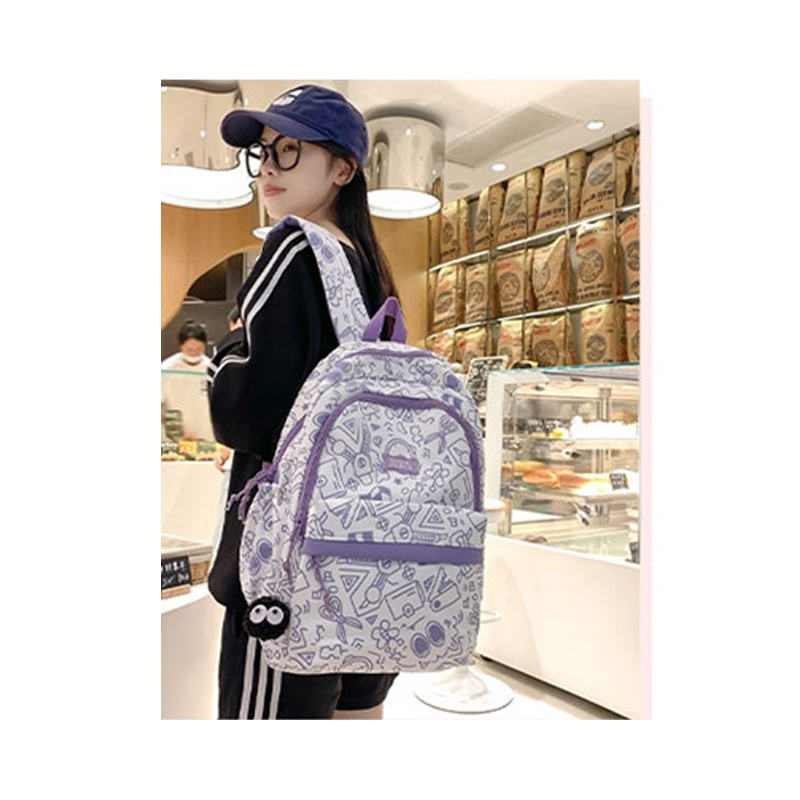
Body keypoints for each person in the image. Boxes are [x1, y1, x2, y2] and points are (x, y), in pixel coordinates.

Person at [206, 84, 400, 720]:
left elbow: (244, 412)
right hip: (372, 556)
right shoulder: (372, 274)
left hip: (287, 568)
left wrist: (226, 351)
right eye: (262, 152)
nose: (268, 167)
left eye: (288, 150)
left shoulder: (294, 246)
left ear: (343, 169)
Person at [161, 320, 214, 442]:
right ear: (181, 346)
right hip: (175, 439)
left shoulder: (211, 369)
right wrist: (180, 429)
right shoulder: (166, 369)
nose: (194, 353)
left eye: (198, 349)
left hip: (207, 438)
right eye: (189, 349)